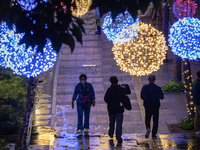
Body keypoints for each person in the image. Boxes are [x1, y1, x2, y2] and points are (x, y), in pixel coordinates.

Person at [104, 76, 125, 146]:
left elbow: (106, 99)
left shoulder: (109, 90)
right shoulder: (120, 89)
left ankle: (111, 133)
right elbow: (127, 92)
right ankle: (118, 137)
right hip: (119, 109)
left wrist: (111, 102)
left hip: (111, 109)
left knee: (112, 122)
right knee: (119, 124)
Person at [141, 74, 164, 139]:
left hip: (148, 105)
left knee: (147, 118)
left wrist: (147, 98)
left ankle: (148, 128)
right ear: (155, 79)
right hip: (155, 105)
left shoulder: (145, 87)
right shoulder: (158, 88)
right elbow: (161, 97)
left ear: (148, 79)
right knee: (155, 119)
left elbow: (142, 96)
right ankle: (154, 133)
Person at [193, 71, 200, 135]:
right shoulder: (198, 84)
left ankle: (197, 129)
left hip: (197, 101)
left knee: (197, 116)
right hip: (198, 102)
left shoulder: (196, 83)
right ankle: (197, 129)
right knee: (198, 115)